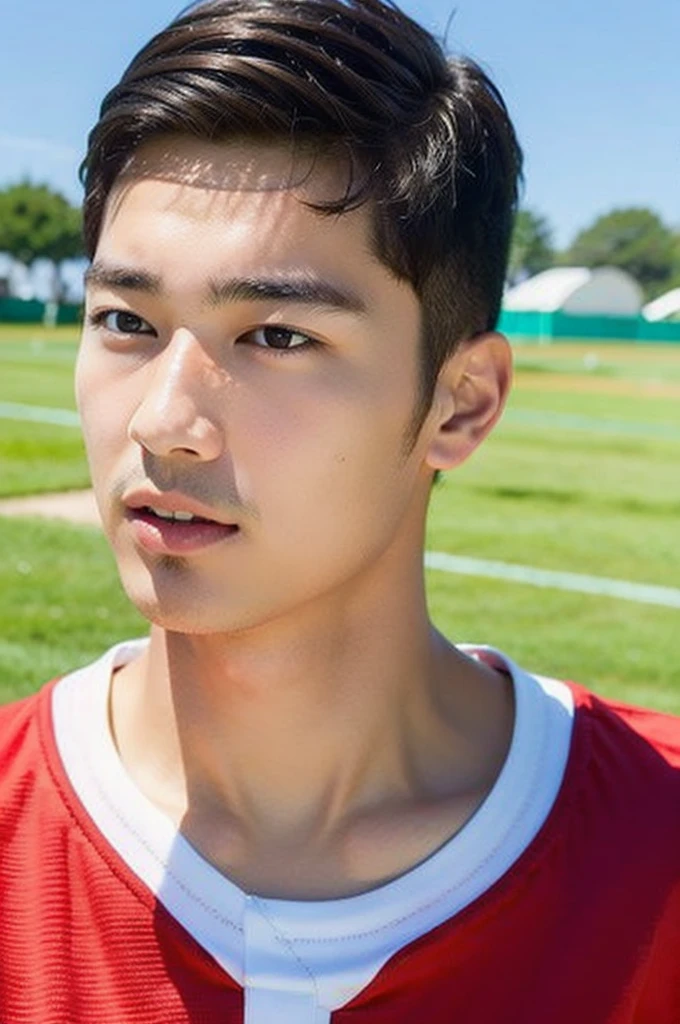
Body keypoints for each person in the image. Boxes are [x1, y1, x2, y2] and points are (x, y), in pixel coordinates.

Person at [1, 1, 678, 1021]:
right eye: (126, 320)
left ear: (461, 403)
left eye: (275, 336)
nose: (164, 419)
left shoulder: (655, 839)